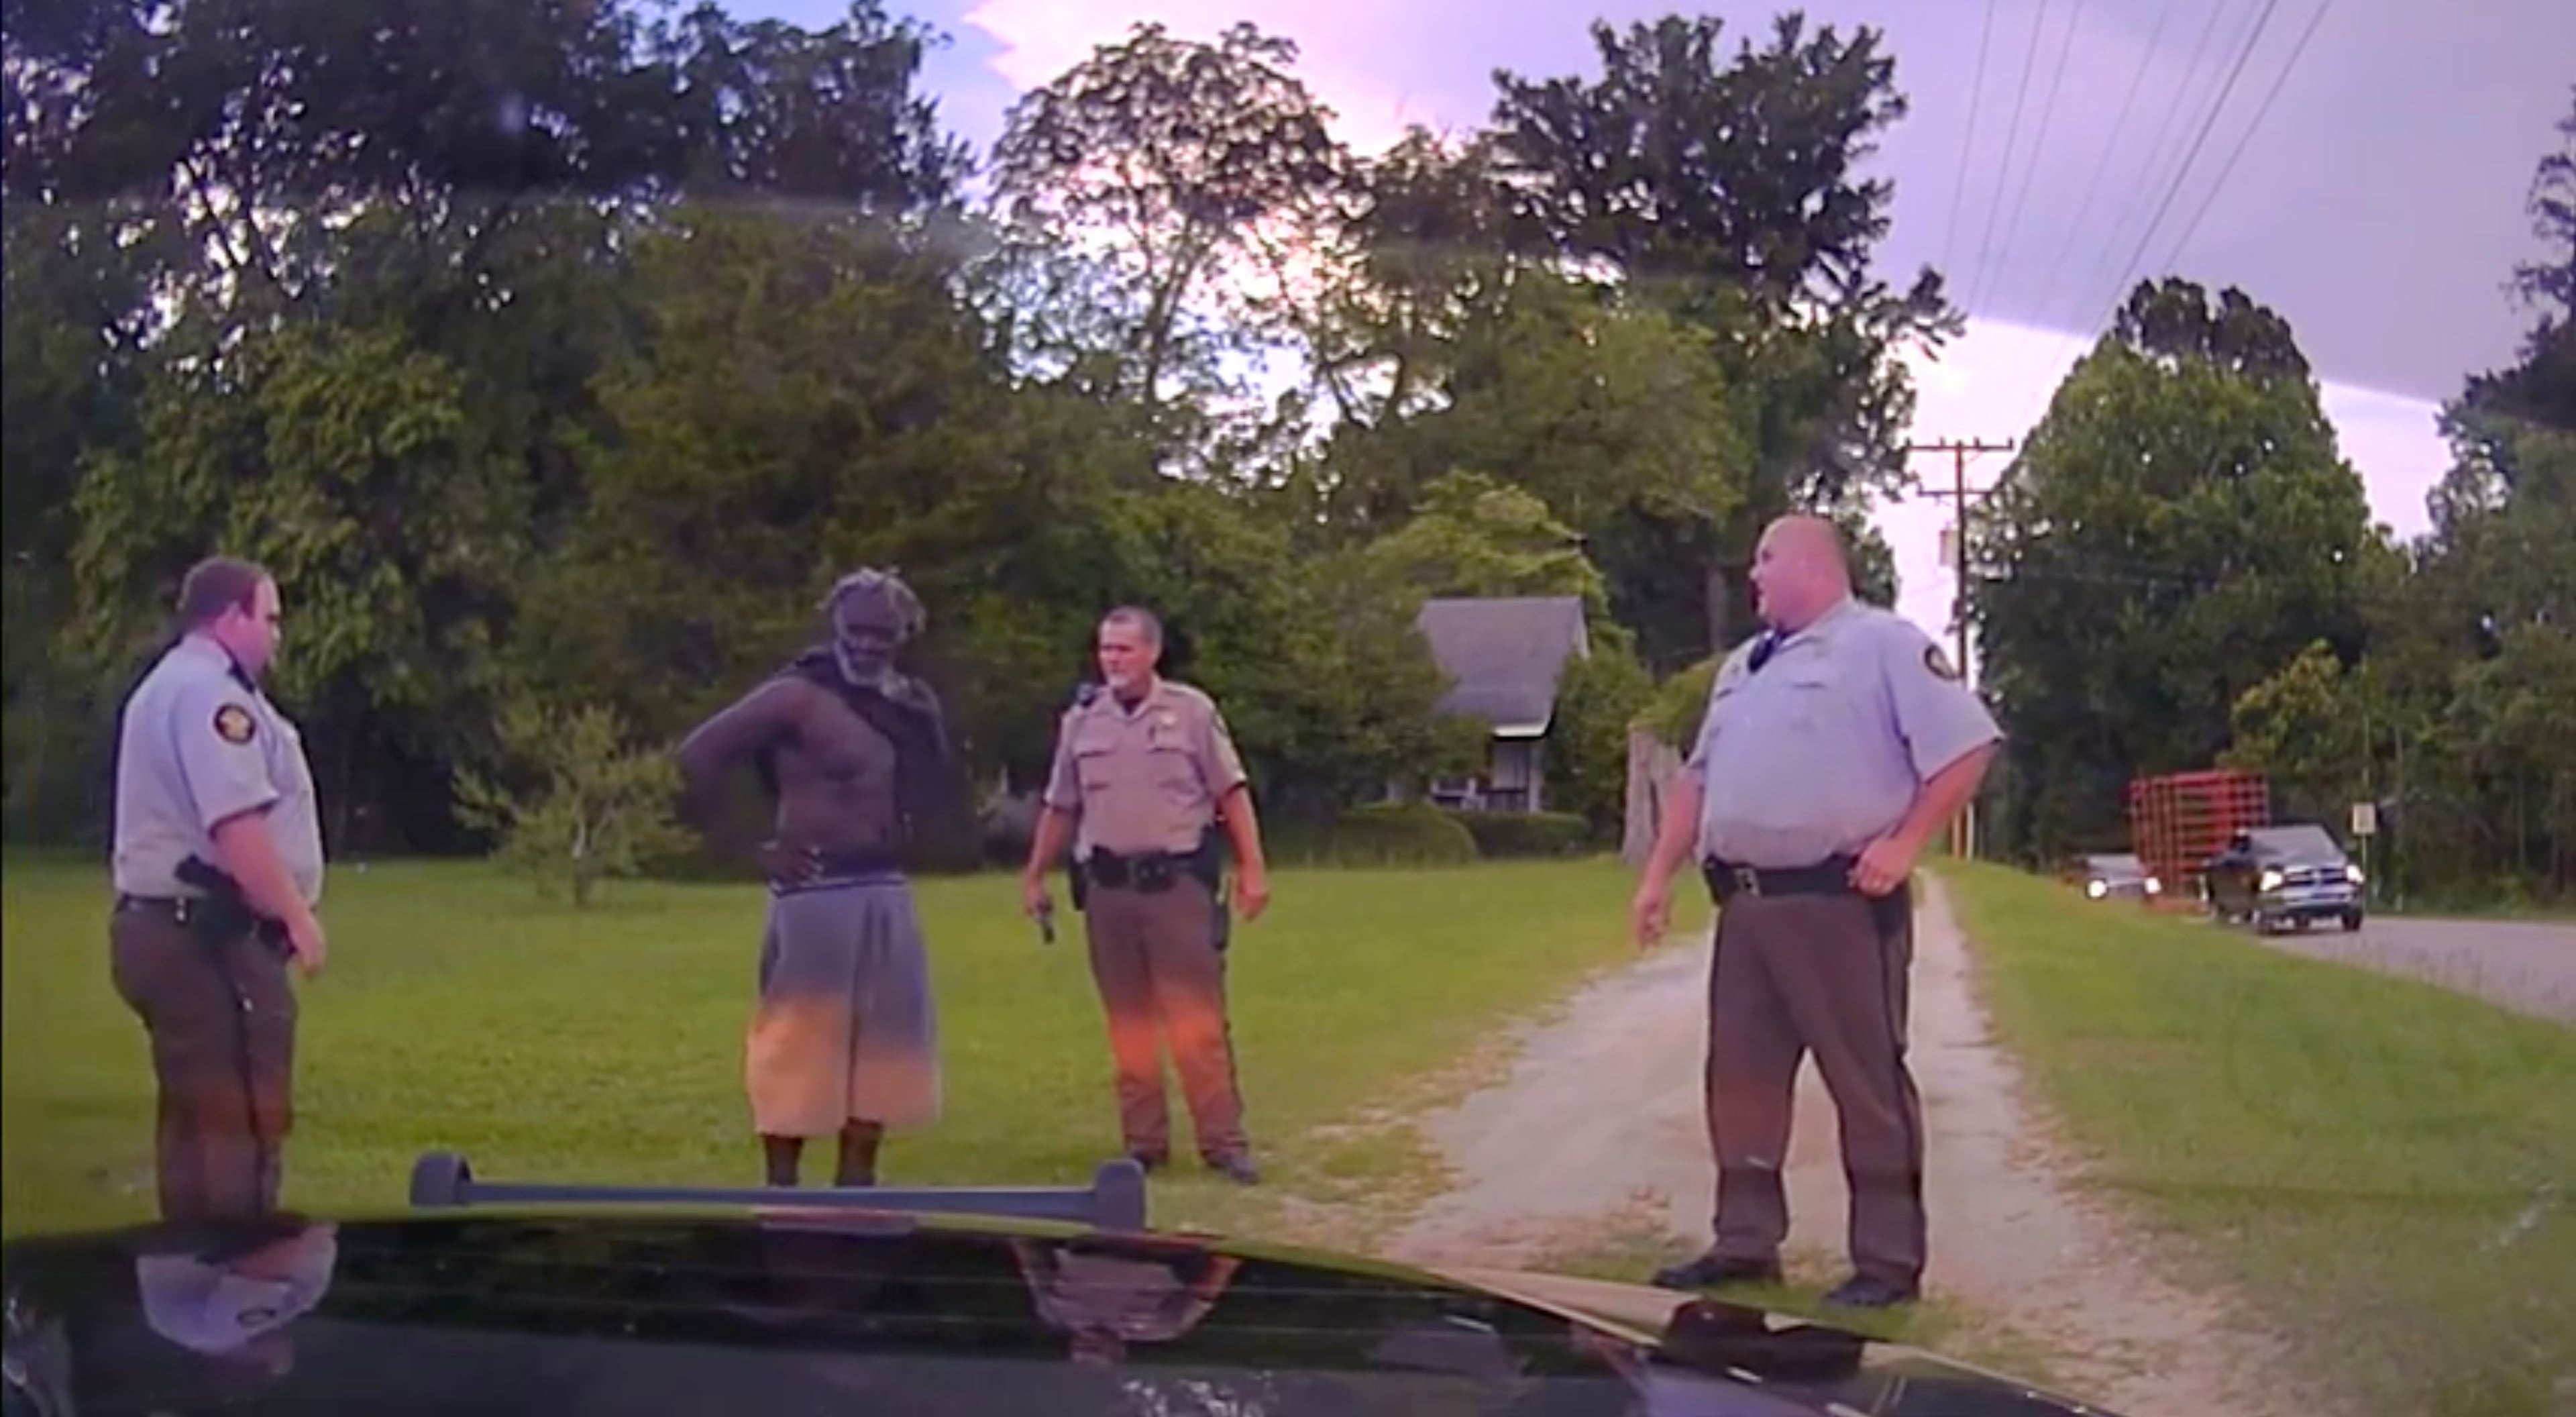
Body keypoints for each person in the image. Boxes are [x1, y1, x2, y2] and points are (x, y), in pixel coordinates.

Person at [1628, 515, 2002, 1310]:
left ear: (1810, 563)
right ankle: (1745, 1242)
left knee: (1865, 1084)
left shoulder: (1883, 646)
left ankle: (1887, 1264)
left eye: (1765, 559)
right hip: (1747, 910)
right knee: (1741, 1080)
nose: (1754, 574)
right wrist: (1658, 874)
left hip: (1840, 906)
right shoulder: (1744, 669)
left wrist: (1905, 843)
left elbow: (1967, 748)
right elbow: (1697, 779)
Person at [676, 567, 959, 1188]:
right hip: (815, 891)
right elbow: (698, 755)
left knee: (883, 1050)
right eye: (854, 630)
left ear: (902, 633)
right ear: (834, 625)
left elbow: (935, 792)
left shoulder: (911, 704)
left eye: (880, 634)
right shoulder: (797, 696)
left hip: (885, 888)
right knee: (797, 1048)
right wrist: (752, 847)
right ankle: (782, 1188)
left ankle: (858, 1187)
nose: (865, 645)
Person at [108, 556, 329, 1225]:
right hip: (201, 937)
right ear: (231, 617)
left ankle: (192, 1299)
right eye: (269, 618)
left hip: (171, 931)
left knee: (197, 1120)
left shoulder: (176, 686)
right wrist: (296, 914)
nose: (277, 635)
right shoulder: (212, 697)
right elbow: (235, 824)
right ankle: (238, 1298)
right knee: (238, 1123)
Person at [1021, 607, 1271, 1185]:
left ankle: (1222, 1143)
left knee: (1197, 1020)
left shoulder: (1190, 712)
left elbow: (1231, 794)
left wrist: (1253, 868)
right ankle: (1144, 1145)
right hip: (1109, 890)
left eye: (1124, 650)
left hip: (1175, 887)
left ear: (1152, 653)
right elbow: (1061, 805)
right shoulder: (1082, 722)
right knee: (1127, 1022)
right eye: (1105, 649)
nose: (1112, 660)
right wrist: (1035, 875)